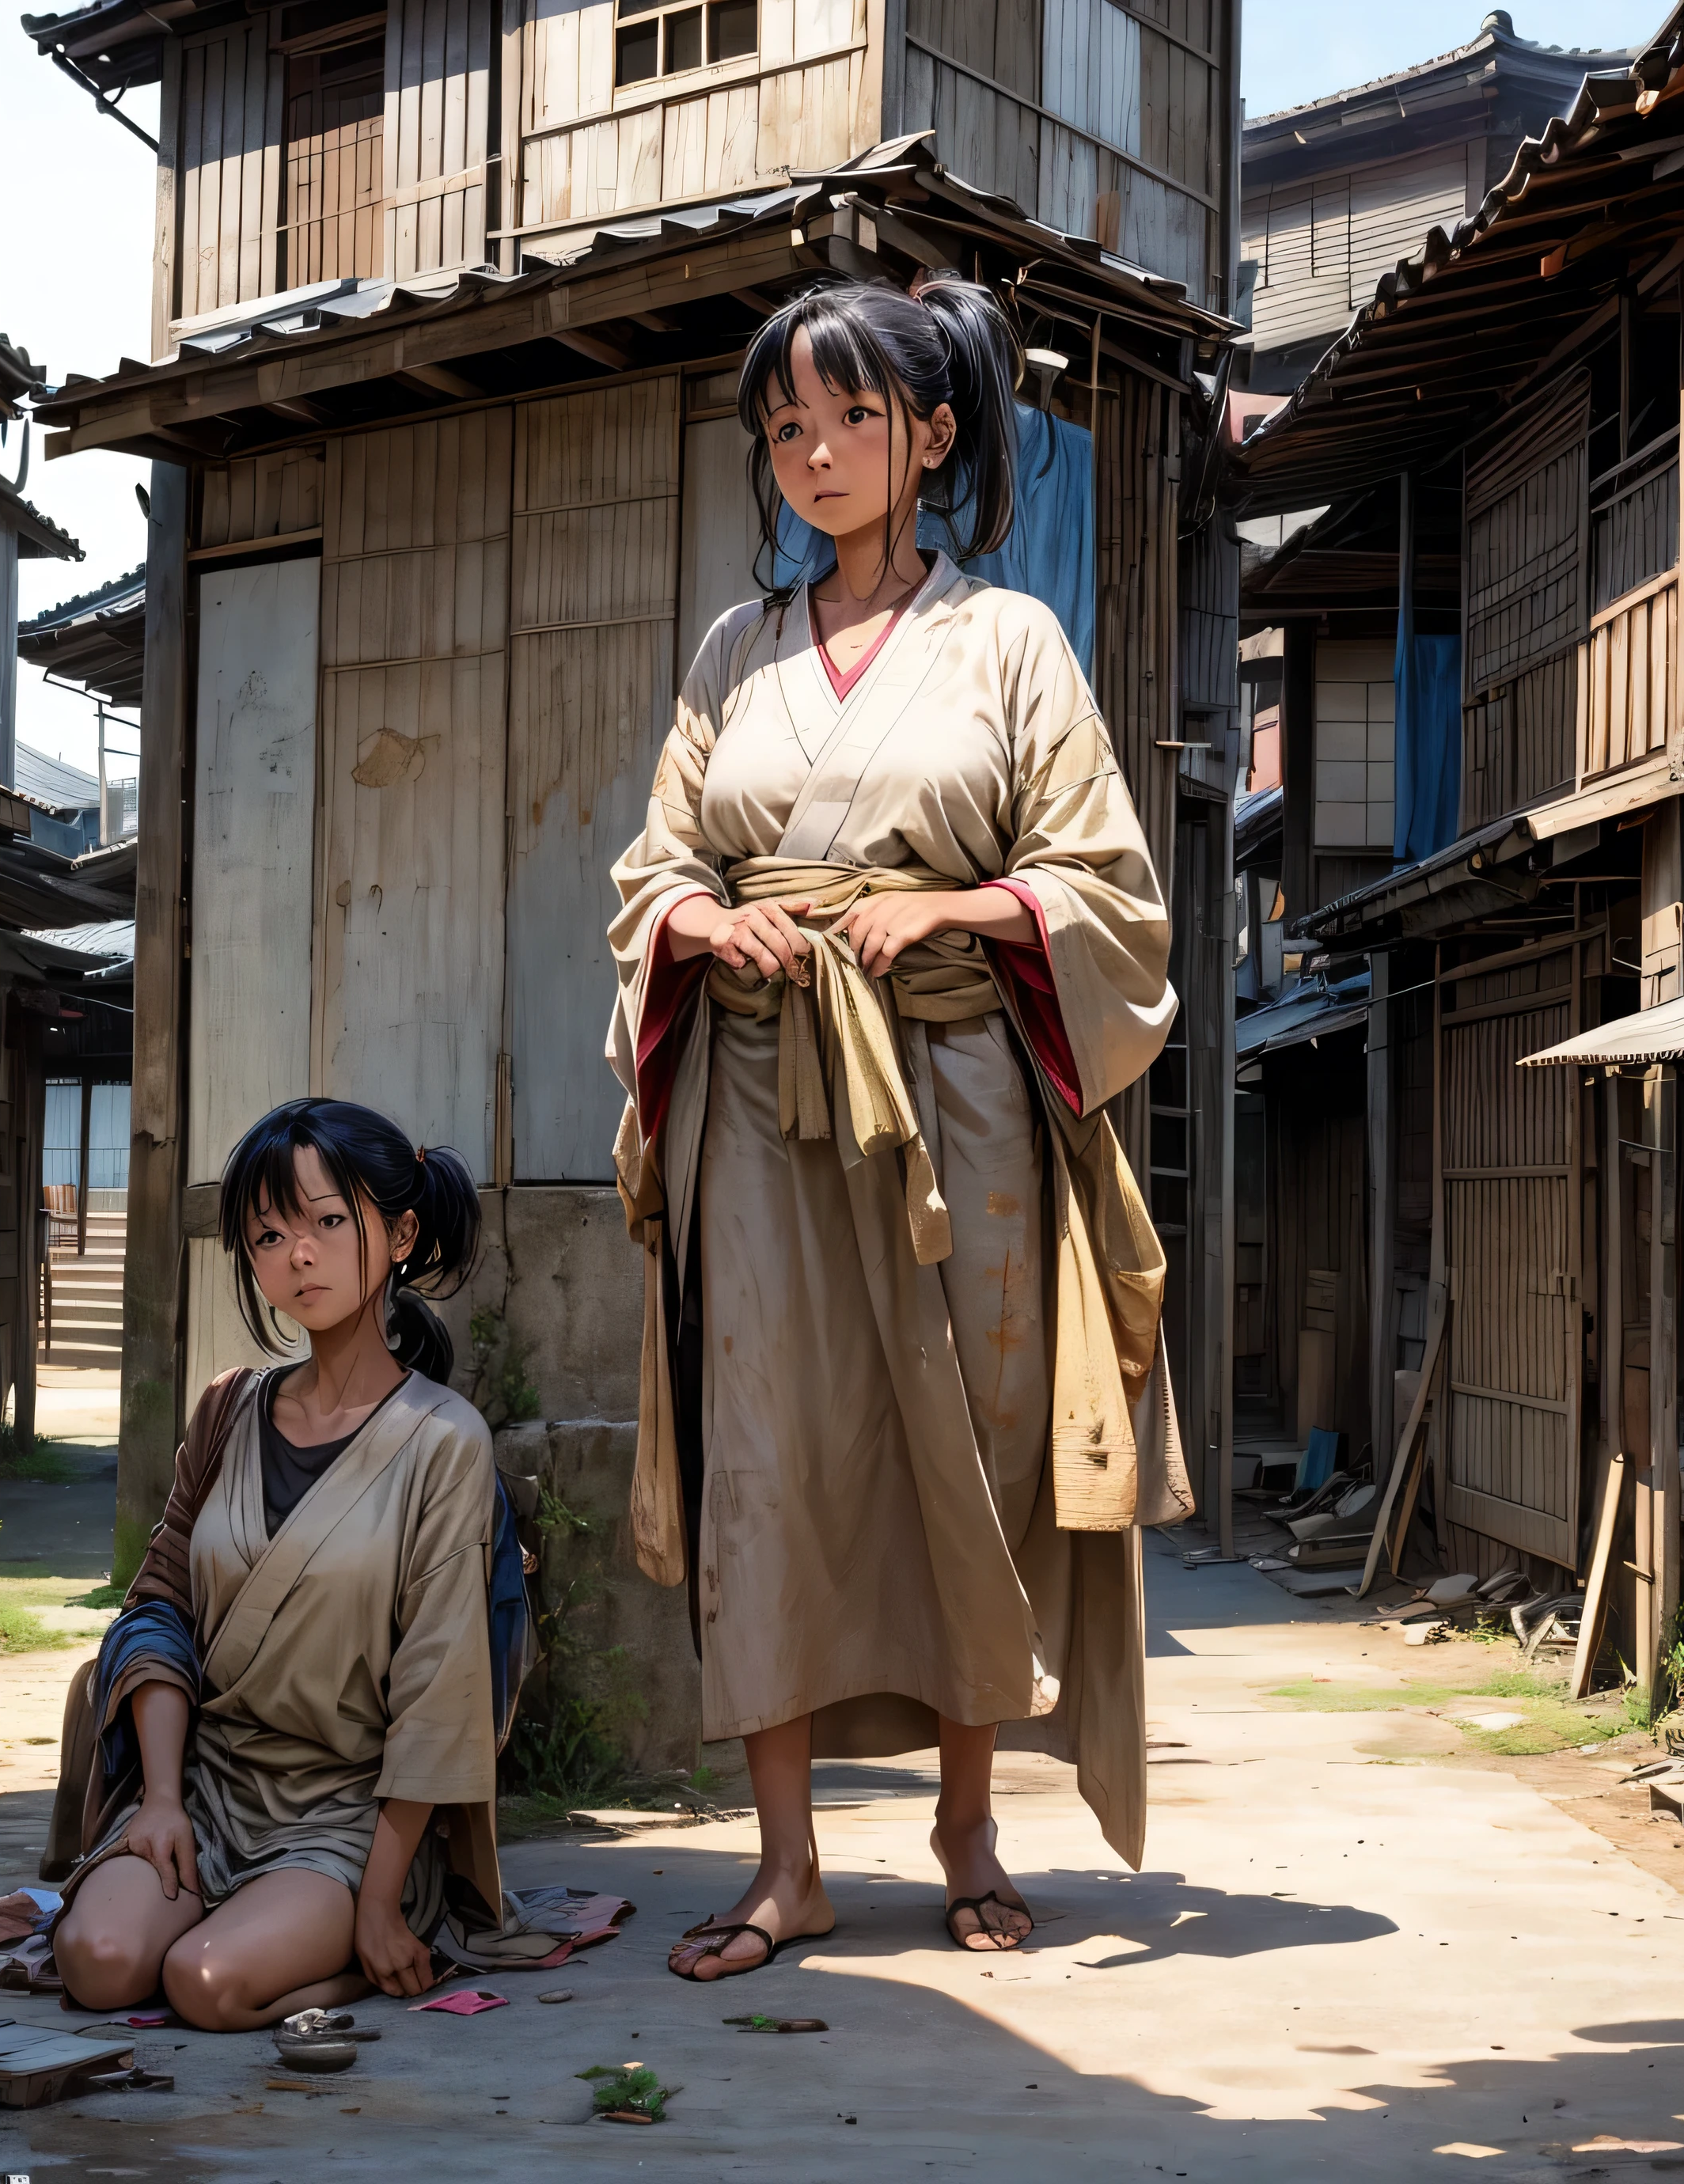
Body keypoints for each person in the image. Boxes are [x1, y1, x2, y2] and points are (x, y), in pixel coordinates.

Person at [607, 271, 1189, 1984]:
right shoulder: (734, 650)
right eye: (785, 425)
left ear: (932, 434)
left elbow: (1110, 891)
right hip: (759, 1110)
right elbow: (654, 873)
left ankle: (965, 1825)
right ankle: (785, 1867)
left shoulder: (1008, 640)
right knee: (768, 1465)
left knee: (969, 1450)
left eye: (851, 416)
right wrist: (705, 930)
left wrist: (962, 914)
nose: (814, 452)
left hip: (958, 1109)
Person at [51, 1099, 503, 2029]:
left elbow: (440, 1690)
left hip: (349, 1816)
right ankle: (233, 1908)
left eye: (328, 1222)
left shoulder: (444, 1441)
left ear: (401, 1231)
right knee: (97, 1962)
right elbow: (159, 1608)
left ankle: (359, 1943)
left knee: (205, 1984)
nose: (298, 1254)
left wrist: (378, 1903)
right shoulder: (226, 1409)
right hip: (209, 1792)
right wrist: (163, 1801)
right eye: (267, 1234)